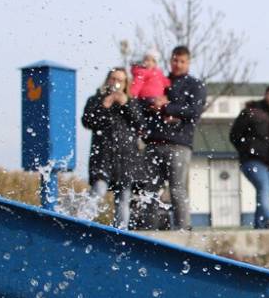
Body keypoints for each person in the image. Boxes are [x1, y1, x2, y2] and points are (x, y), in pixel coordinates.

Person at [143, 45, 206, 231]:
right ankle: (150, 229)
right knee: (151, 189)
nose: (178, 64)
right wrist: (153, 105)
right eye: (175, 60)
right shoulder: (160, 80)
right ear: (170, 60)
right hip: (154, 142)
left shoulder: (195, 85)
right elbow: (144, 98)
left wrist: (167, 107)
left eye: (182, 61)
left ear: (188, 62)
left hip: (179, 144)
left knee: (177, 189)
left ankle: (183, 229)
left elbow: (194, 111)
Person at [81, 67, 144, 229]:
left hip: (126, 158)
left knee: (123, 198)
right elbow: (87, 121)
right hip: (102, 155)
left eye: (120, 80)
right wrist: (105, 105)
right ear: (108, 80)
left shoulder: (133, 102)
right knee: (98, 190)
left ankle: (122, 233)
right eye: (113, 79)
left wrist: (126, 104)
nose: (116, 83)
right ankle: (82, 224)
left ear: (125, 84)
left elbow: (141, 124)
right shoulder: (96, 99)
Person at [229, 84, 269, 229]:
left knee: (264, 196)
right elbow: (234, 135)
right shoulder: (251, 112)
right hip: (252, 161)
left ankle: (260, 229)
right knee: (263, 187)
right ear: (266, 94)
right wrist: (246, 151)